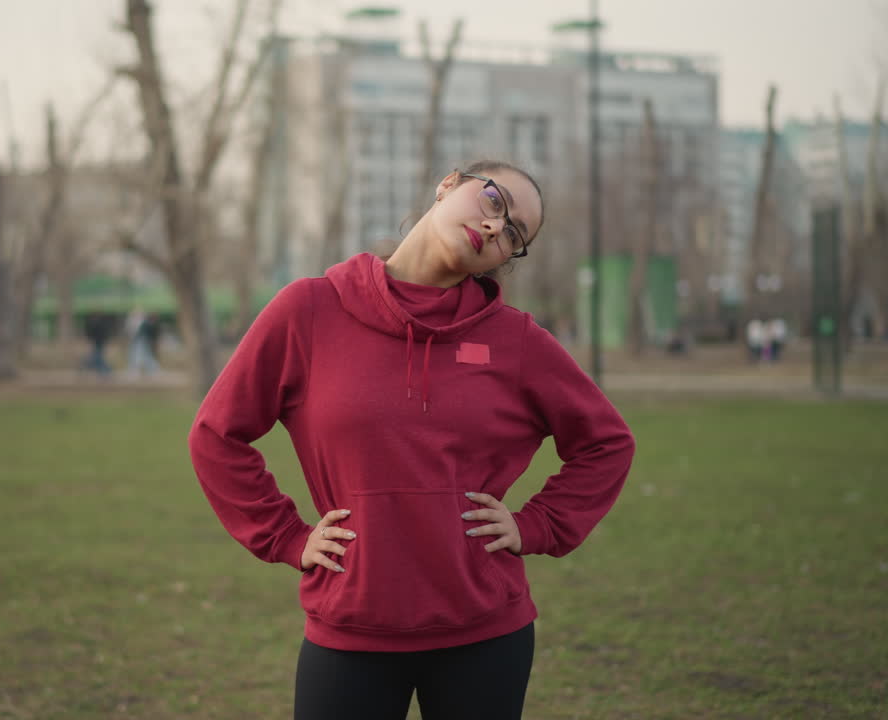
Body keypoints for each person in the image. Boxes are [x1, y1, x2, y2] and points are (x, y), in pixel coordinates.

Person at [189, 161, 635, 720]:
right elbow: (217, 434)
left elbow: (607, 443)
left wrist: (535, 525)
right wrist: (284, 536)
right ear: (449, 184)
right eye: (495, 202)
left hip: (485, 635)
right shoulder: (307, 311)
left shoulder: (516, 341)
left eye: (516, 235)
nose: (498, 228)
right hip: (350, 632)